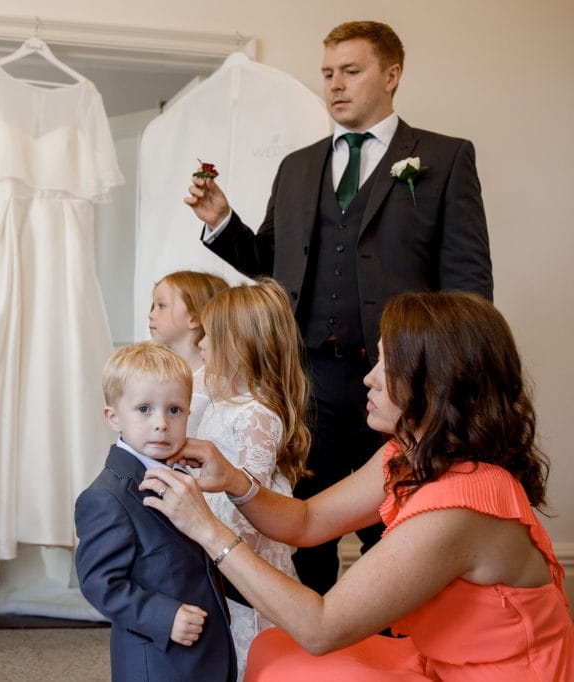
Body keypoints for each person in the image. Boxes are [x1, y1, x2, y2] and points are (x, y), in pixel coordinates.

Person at [184, 20, 493, 594]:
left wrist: (451, 375)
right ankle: (314, 646)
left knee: (400, 517)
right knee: (305, 516)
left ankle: (399, 647)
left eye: (351, 71)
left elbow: (469, 283)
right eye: (328, 73)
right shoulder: (297, 167)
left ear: (392, 75)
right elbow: (271, 265)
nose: (335, 85)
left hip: (402, 378)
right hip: (308, 378)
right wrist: (223, 223)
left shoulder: (445, 159)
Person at [141, 291, 573, 680]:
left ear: (435, 382)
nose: (369, 378)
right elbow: (308, 522)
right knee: (271, 647)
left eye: (387, 365)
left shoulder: (459, 509)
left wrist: (207, 530)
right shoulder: (408, 454)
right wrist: (235, 481)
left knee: (288, 665)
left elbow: (320, 628)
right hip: (438, 660)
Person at [74, 341, 236, 682]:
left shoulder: (179, 471)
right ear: (114, 417)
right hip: (156, 659)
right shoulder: (107, 497)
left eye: (174, 410)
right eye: (144, 409)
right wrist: (164, 617)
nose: (161, 423)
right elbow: (99, 582)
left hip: (202, 650)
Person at [195, 279, 309, 679]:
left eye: (209, 336)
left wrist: (215, 553)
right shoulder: (222, 405)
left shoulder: (257, 415)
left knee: (245, 654)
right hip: (215, 556)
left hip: (243, 569)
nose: (201, 345)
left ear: (237, 346)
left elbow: (249, 507)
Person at [148, 269, 228, 435]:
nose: (151, 314)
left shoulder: (218, 383)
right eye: (153, 306)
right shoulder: (150, 370)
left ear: (193, 318)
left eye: (161, 306)